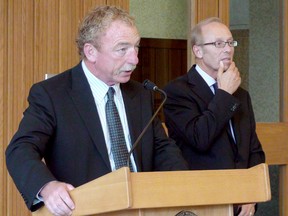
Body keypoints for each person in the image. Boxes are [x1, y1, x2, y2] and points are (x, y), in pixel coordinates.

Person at [6, 5, 188, 216]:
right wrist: (47, 188)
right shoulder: (52, 94)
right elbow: (20, 149)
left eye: (136, 47)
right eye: (122, 49)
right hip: (86, 210)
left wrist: (183, 189)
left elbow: (164, 151)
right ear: (91, 51)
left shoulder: (140, 94)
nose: (135, 59)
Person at [163, 17, 265, 216]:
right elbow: (200, 138)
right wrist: (224, 95)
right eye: (219, 43)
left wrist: (252, 194)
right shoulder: (177, 91)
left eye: (230, 42)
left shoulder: (241, 94)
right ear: (198, 51)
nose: (227, 49)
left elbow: (254, 150)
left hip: (243, 203)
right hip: (202, 201)